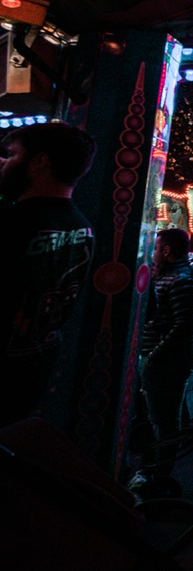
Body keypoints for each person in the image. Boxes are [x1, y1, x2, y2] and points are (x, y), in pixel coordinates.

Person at [0, 121, 96, 426]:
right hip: (33, 372)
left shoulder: (12, 222)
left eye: (12, 155)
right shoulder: (83, 227)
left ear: (39, 161)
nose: (3, 163)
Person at [134, 227, 193, 493]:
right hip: (166, 355)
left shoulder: (182, 277)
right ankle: (152, 472)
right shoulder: (174, 274)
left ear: (166, 250)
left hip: (169, 357)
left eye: (155, 248)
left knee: (164, 421)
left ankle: (157, 477)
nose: (152, 253)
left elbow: (185, 324)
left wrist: (155, 354)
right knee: (158, 418)